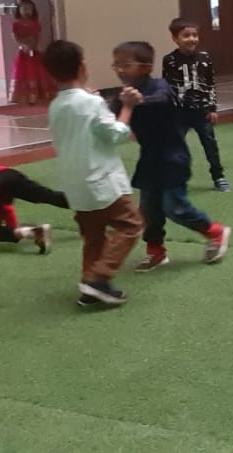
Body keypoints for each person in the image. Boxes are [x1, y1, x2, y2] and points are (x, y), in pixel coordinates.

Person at [113, 41, 231, 273]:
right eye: (116, 64)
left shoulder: (160, 86)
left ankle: (215, 232)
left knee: (174, 207)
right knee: (149, 210)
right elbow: (110, 116)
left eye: (125, 64)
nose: (119, 69)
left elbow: (162, 99)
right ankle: (156, 251)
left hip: (173, 158)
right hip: (149, 160)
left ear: (147, 67)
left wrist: (139, 101)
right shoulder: (123, 97)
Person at [44, 40, 143, 306]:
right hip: (101, 180)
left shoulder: (56, 105)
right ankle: (98, 278)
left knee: (93, 236)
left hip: (75, 185)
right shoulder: (91, 102)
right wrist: (127, 107)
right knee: (131, 225)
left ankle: (90, 286)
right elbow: (116, 134)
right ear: (82, 67)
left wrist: (94, 101)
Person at [163, 18, 228, 192]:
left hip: (202, 111)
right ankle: (175, 178)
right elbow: (167, 86)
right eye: (186, 35)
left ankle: (218, 176)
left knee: (210, 145)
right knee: (175, 146)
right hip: (179, 112)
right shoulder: (169, 60)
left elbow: (210, 83)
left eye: (195, 35)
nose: (192, 39)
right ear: (175, 38)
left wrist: (212, 107)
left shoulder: (205, 58)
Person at [0, 166, 68, 253]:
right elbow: (7, 209)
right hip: (11, 175)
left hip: (2, 180)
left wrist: (13, 232)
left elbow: (6, 210)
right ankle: (82, 203)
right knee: (47, 195)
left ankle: (31, 232)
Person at [10, 0, 56, 105]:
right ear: (19, 10)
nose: (27, 11)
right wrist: (23, 45)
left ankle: (40, 94)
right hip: (23, 52)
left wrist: (37, 46)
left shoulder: (35, 23)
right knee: (24, 71)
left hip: (35, 51)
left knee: (37, 70)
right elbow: (15, 37)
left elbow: (38, 36)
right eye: (24, 8)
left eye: (30, 9)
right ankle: (24, 96)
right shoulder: (16, 24)